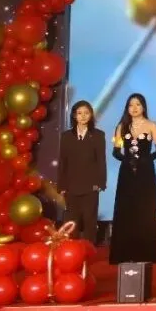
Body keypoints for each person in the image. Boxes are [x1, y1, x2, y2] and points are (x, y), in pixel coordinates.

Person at [109, 93, 156, 264]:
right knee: (126, 209)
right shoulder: (121, 127)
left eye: (138, 104)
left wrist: (146, 160)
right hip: (127, 172)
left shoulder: (152, 125)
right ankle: (124, 253)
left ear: (143, 107)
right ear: (127, 108)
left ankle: (146, 253)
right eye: (131, 105)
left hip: (146, 172)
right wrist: (126, 160)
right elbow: (116, 151)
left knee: (145, 209)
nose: (134, 108)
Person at [58, 100, 107, 244]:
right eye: (79, 113)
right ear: (74, 116)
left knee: (90, 220)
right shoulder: (66, 136)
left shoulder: (98, 135)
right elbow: (63, 162)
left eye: (86, 113)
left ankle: (89, 248)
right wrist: (61, 185)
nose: (83, 116)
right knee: (72, 221)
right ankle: (72, 249)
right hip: (71, 186)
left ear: (91, 115)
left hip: (91, 186)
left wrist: (100, 183)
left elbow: (101, 161)